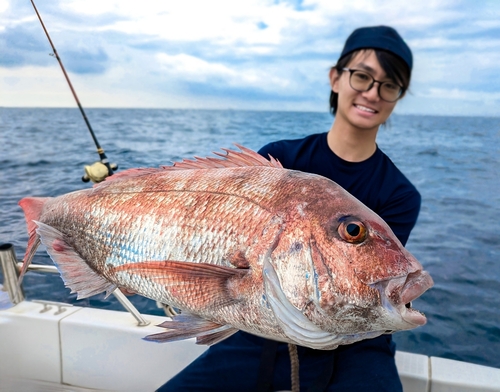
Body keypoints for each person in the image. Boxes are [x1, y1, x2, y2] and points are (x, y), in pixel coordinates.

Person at [158, 25, 420, 392]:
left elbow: (365, 291)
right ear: (336, 78)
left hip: (357, 344)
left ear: (398, 96)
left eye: (389, 85)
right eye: (362, 77)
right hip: (256, 329)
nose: (372, 93)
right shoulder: (279, 157)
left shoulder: (400, 193)